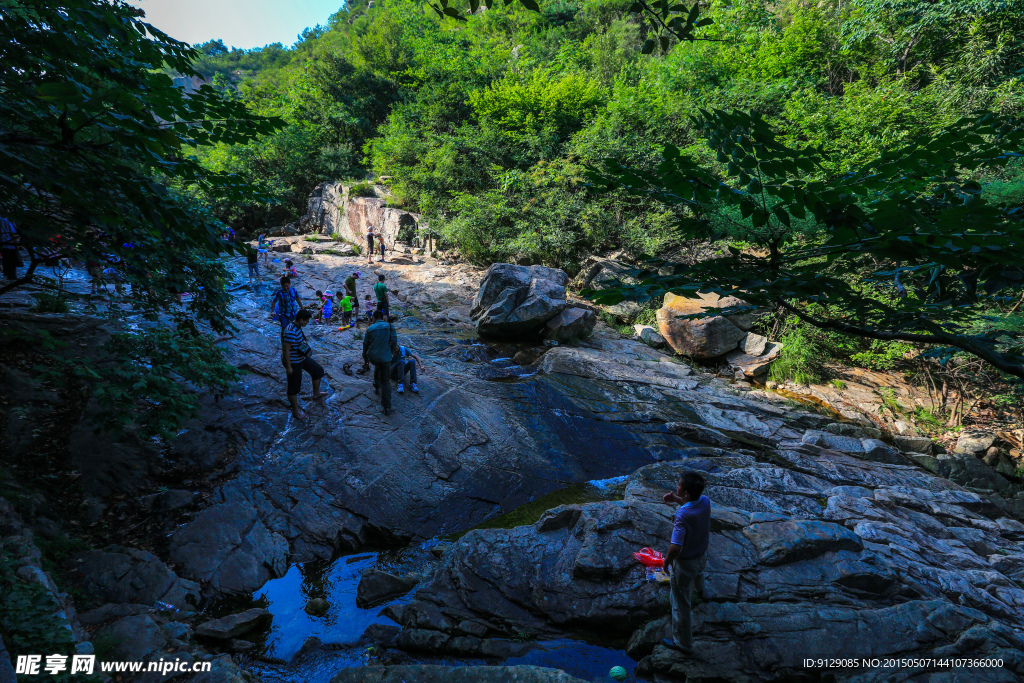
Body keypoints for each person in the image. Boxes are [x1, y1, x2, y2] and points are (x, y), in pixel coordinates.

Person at [661, 472, 711, 655]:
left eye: (679, 485)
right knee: (699, 574)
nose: (677, 486)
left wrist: (667, 562)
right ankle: (702, 592)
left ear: (687, 492)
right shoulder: (705, 501)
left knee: (681, 604)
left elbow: (675, 546)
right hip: (702, 556)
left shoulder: (682, 514)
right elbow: (692, 507)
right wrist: (676, 498)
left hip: (685, 564)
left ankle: (684, 644)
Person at [282, 309, 326, 421]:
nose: (307, 323)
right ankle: (295, 411)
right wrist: (288, 367)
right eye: (306, 321)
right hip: (293, 361)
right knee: (294, 387)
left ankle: (316, 393)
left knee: (318, 371)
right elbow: (285, 350)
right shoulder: (290, 331)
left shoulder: (297, 326)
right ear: (301, 320)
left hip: (301, 358)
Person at [362, 310, 398, 415]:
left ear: (373, 318)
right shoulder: (390, 327)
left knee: (378, 365)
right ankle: (386, 407)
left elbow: (365, 346)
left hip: (373, 357)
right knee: (386, 381)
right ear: (383, 317)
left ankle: (377, 385)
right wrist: (390, 352)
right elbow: (394, 342)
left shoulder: (370, 328)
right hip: (385, 357)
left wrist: (366, 361)